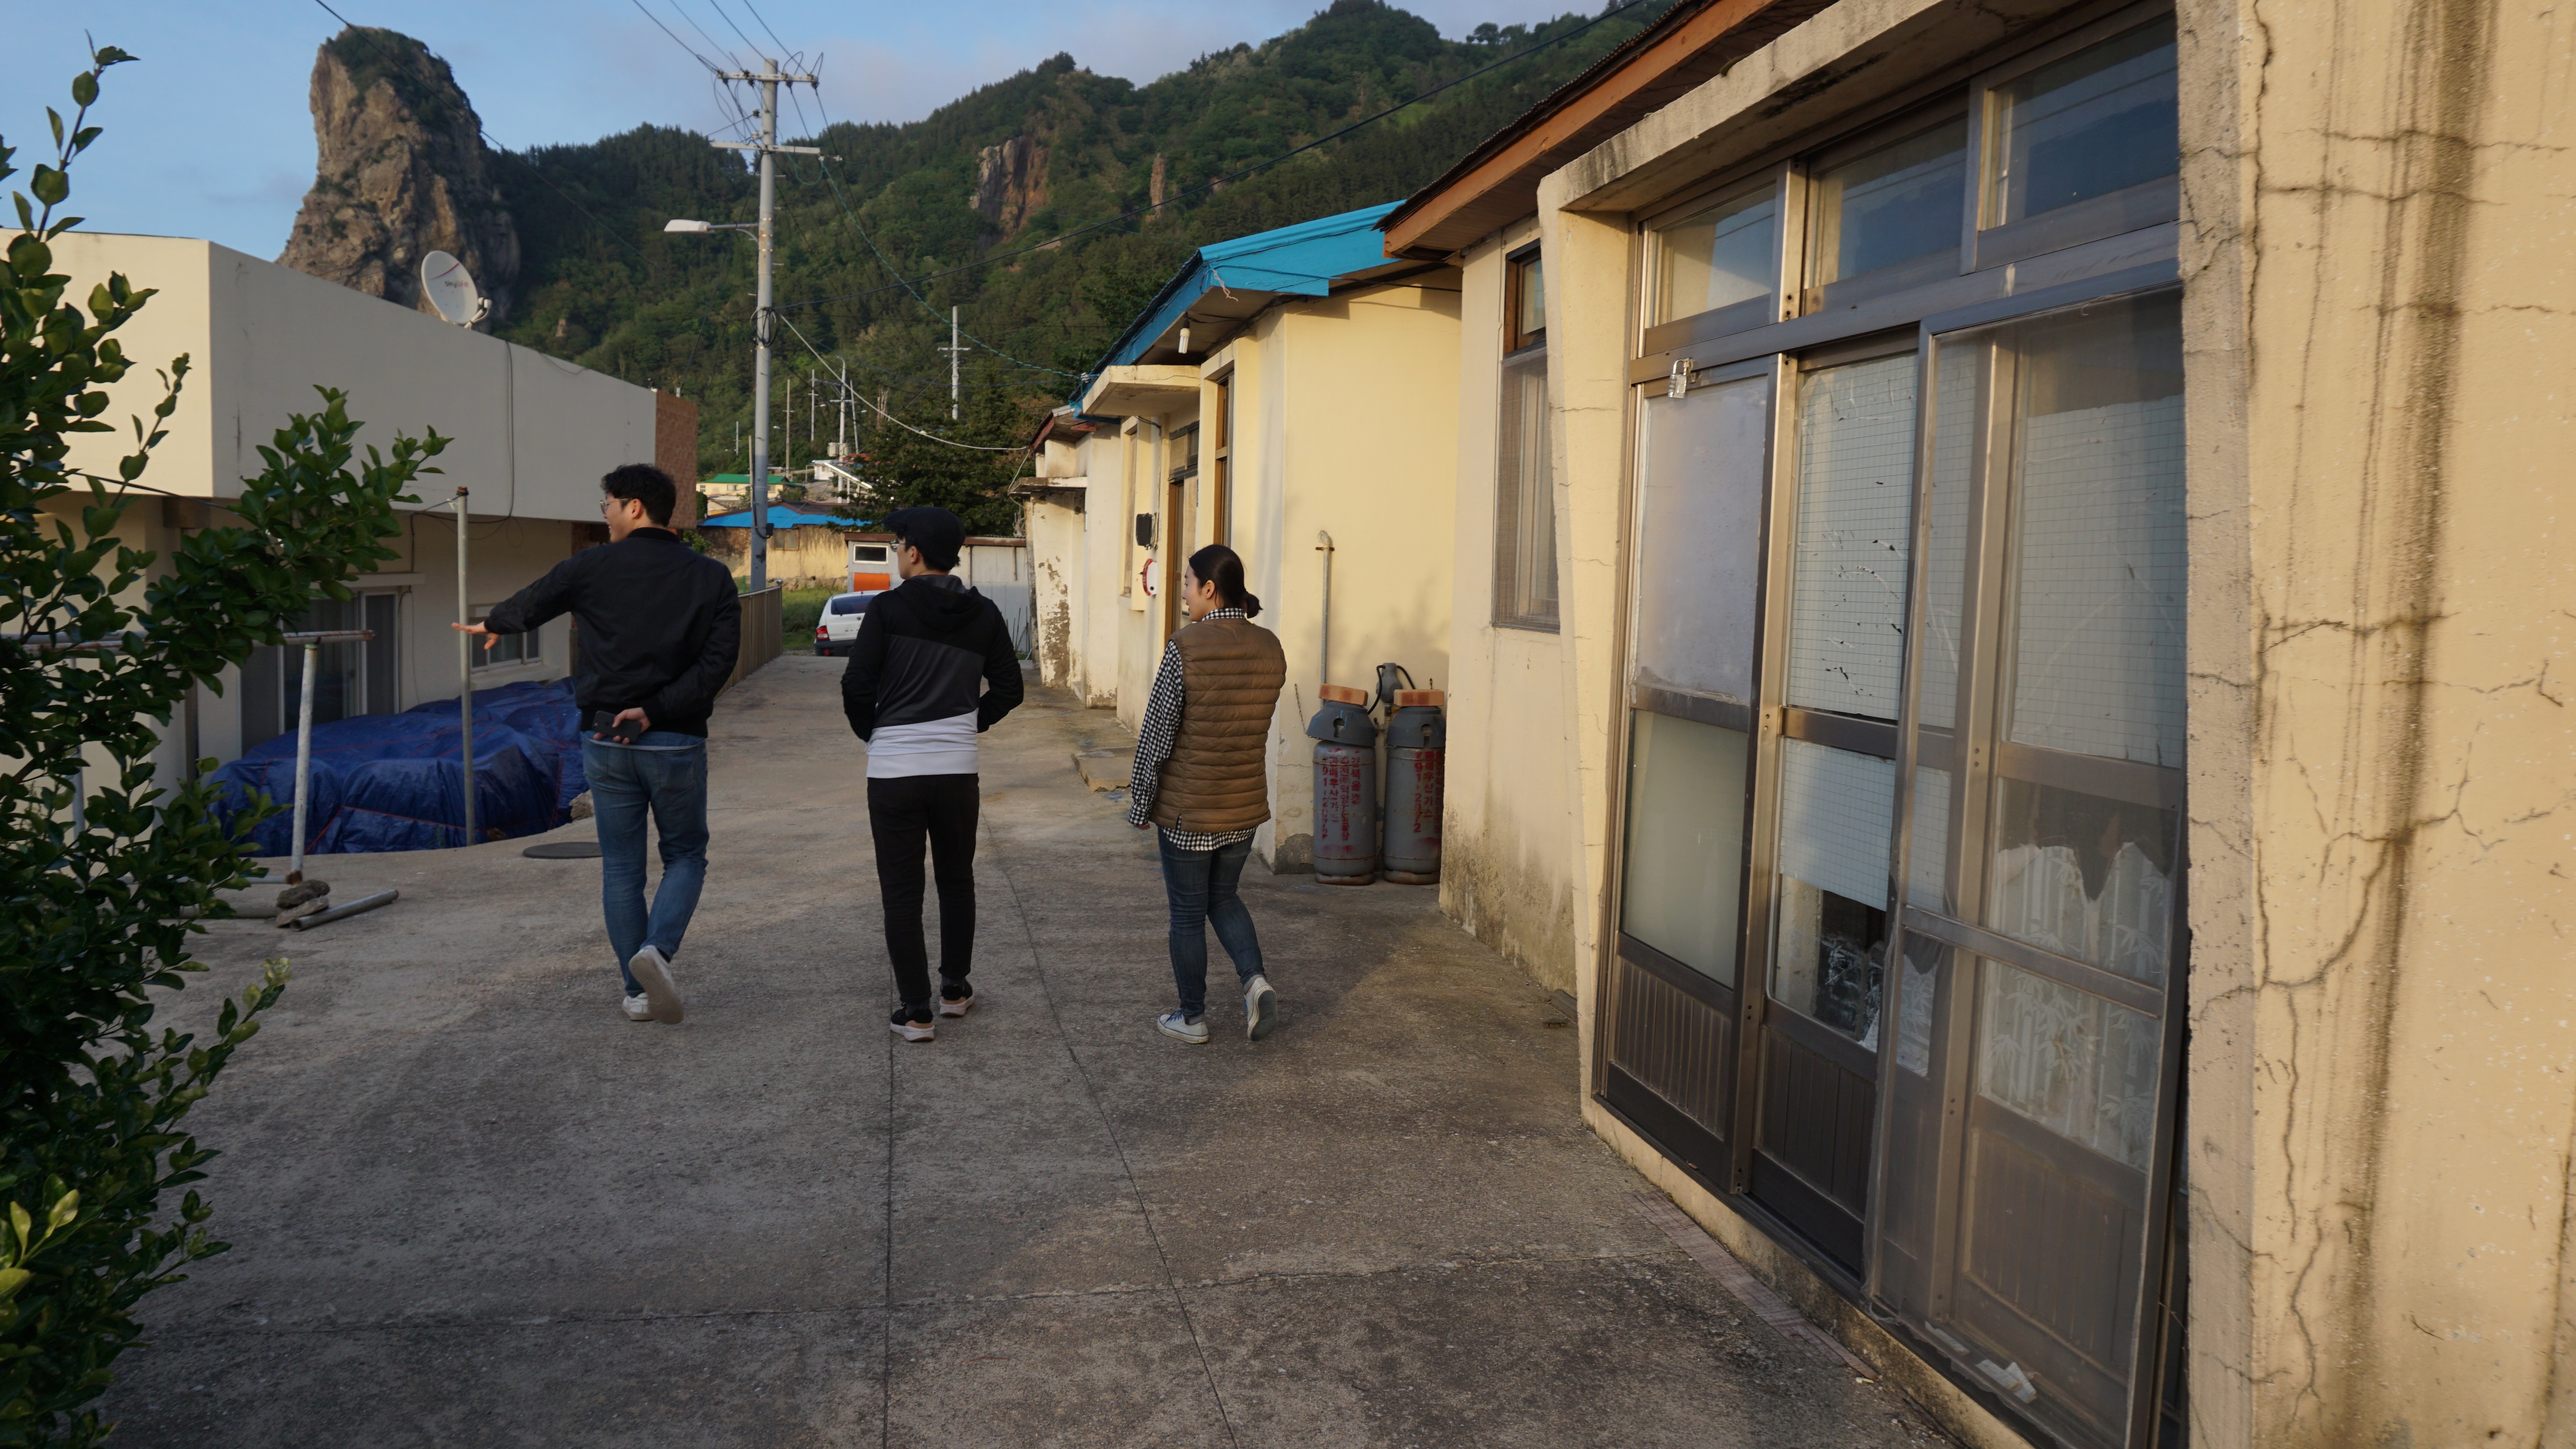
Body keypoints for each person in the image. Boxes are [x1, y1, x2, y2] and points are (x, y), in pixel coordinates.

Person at [456, 464, 739, 1025]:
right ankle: (655, 953)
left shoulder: (591, 567)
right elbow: (716, 667)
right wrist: (657, 709)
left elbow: (536, 600)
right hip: (675, 741)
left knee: (620, 868)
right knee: (685, 854)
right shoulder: (711, 578)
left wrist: (498, 622)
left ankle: (636, 994)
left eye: (607, 503)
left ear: (635, 507)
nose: (604, 514)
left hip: (606, 737)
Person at [842, 506, 1024, 1042]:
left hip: (895, 771)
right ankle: (954, 991)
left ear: (914, 551)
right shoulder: (986, 614)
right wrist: (969, 724)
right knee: (956, 878)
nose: (898, 552)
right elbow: (1010, 691)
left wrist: (874, 734)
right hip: (955, 771)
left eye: (899, 544)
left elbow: (856, 685)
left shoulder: (887, 610)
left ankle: (916, 1011)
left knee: (901, 890)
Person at [1127, 544, 1287, 1045]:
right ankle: (1254, 981)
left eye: (1189, 586)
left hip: (1189, 812)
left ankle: (1192, 1017)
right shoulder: (1270, 646)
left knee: (1187, 913)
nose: (1185, 596)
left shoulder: (1186, 646)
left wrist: (1140, 801)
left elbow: (1157, 734)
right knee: (1225, 896)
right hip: (1242, 808)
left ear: (1210, 590)